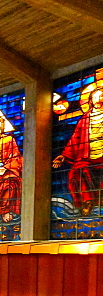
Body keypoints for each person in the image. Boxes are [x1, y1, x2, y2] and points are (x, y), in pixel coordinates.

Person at [53, 87, 103, 215]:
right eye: (95, 97)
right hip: (88, 156)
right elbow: (75, 139)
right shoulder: (84, 119)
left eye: (101, 96)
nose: (99, 99)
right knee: (77, 171)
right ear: (90, 100)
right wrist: (63, 156)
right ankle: (87, 201)